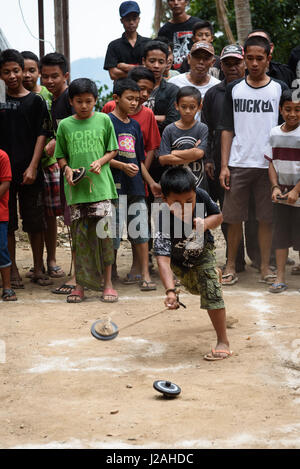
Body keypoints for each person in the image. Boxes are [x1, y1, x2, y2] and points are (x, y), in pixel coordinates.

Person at [219, 35, 288, 286]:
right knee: (233, 217)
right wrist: (224, 165)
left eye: (260, 58)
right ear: (245, 58)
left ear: (269, 58)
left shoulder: (280, 89)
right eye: (250, 58)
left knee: (266, 218)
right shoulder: (233, 89)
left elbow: (287, 127)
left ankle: (264, 267)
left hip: (269, 165)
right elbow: (226, 128)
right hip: (239, 162)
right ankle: (229, 265)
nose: (255, 63)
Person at [154, 166, 232, 361]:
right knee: (195, 289)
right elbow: (163, 260)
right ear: (165, 200)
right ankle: (213, 275)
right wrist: (170, 291)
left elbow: (219, 217)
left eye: (189, 201)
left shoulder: (203, 196)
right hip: (179, 262)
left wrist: (205, 223)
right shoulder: (162, 217)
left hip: (202, 252)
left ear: (195, 193)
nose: (184, 208)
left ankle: (223, 342)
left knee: (210, 288)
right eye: (176, 204)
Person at [54, 78, 119, 303]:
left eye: (88, 101)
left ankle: (108, 284)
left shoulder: (104, 120)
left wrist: (101, 161)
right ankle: (80, 286)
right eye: (79, 101)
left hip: (102, 189)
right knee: (80, 241)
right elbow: (60, 155)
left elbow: (113, 150)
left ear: (95, 101)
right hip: (76, 192)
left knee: (104, 238)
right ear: (71, 101)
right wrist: (67, 169)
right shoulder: (65, 125)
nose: (84, 105)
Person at [102, 67, 161, 282]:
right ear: (116, 98)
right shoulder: (105, 122)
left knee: (140, 232)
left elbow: (138, 160)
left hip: (136, 186)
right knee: (113, 234)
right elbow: (102, 157)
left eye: (137, 99)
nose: (135, 103)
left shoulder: (135, 125)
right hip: (113, 187)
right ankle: (111, 272)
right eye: (130, 99)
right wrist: (121, 166)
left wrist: (151, 183)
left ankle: (145, 274)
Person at [0, 49, 52, 289]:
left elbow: (43, 134)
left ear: (23, 71)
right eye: (6, 72)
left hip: (30, 170)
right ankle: (12, 271)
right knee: (7, 223)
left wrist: (33, 166)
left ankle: (39, 267)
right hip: (3, 175)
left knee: (35, 221)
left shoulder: (35, 100)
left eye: (16, 70)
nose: (12, 76)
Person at [201, 44, 246, 273]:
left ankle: (258, 259)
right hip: (221, 161)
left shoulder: (252, 89)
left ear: (244, 62)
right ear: (220, 66)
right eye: (227, 63)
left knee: (256, 214)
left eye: (236, 62)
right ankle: (235, 260)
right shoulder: (212, 94)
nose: (232, 67)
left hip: (250, 160)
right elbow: (207, 129)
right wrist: (209, 159)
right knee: (227, 211)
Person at [21, 50, 65, 280]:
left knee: (50, 215)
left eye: (32, 70)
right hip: (27, 164)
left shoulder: (49, 96)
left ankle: (52, 259)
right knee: (33, 216)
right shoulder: (13, 97)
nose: (27, 75)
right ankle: (37, 262)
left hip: (50, 164)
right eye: (23, 70)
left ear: (38, 72)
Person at [40, 52, 77, 295]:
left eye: (55, 76)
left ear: (66, 75)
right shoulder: (55, 99)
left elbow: (76, 130)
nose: (49, 81)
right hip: (67, 170)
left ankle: (77, 276)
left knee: (76, 222)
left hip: (75, 171)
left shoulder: (69, 99)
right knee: (73, 221)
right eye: (45, 77)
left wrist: (56, 143)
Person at [265, 90, 300, 293]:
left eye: (297, 110)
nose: (293, 114)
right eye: (288, 109)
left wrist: (296, 190)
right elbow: (271, 163)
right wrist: (275, 186)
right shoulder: (274, 133)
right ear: (281, 110)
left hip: (297, 193)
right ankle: (279, 276)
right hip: (282, 196)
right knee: (280, 235)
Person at [158, 86, 208, 191]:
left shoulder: (202, 128)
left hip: (198, 186)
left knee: (198, 207)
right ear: (176, 106)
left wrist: (174, 152)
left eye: (192, 107)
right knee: (176, 207)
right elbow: (162, 159)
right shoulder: (169, 129)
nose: (188, 111)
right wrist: (192, 154)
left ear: (199, 107)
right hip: (174, 186)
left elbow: (199, 153)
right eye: (183, 106)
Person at [104, 1, 150, 81]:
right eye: (128, 19)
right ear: (121, 21)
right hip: (122, 91)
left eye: (134, 18)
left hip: (145, 90)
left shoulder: (148, 43)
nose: (131, 22)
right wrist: (141, 69)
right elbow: (113, 74)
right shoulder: (113, 46)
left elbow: (151, 69)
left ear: (139, 19)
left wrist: (125, 67)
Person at [168, 42, 220, 107]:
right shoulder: (174, 83)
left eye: (206, 58)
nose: (201, 62)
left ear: (212, 62)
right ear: (189, 58)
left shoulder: (217, 87)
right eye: (197, 57)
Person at [158, 0, 201, 70]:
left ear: (186, 2)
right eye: (172, 0)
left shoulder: (198, 24)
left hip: (196, 72)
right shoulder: (164, 31)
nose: (176, 3)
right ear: (168, 3)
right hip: (173, 75)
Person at [0, 149, 17, 301]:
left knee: (1, 248)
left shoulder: (2, 156)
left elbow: (6, 183)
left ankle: (7, 287)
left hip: (0, 213)